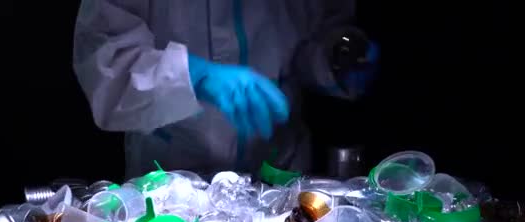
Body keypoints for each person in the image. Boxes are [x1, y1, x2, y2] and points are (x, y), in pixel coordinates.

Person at [73, 1, 378, 179]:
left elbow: (316, 33)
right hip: (173, 179)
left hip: (277, 174)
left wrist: (337, 59)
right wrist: (194, 75)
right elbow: (107, 65)